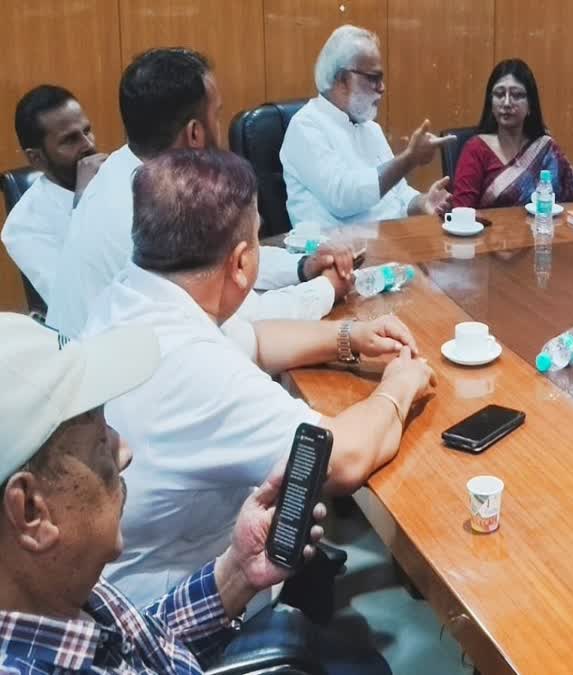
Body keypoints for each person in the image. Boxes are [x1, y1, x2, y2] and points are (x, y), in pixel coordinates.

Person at [82, 149, 436, 614]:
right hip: (175, 615)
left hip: (140, 574)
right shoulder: (193, 367)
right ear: (242, 263)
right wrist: (400, 385)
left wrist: (348, 337)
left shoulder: (133, 295)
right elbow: (341, 459)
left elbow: (256, 339)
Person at [0, 312, 329, 674]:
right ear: (31, 511)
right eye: (99, 443)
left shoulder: (56, 592)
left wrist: (237, 572)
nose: (124, 452)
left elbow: (136, 646)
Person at [47, 48, 351, 337]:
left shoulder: (126, 170)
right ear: (195, 133)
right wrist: (326, 288)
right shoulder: (156, 207)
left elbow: (224, 258)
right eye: (216, 115)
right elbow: (238, 321)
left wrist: (302, 267)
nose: (219, 128)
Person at [282, 24, 454, 228]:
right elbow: (343, 198)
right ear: (342, 79)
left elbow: (399, 195)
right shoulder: (306, 126)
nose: (382, 88)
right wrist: (409, 159)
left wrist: (422, 201)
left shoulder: (371, 128)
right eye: (374, 78)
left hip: (389, 241)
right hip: (333, 246)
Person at [2, 85, 107, 302]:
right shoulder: (23, 225)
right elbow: (74, 300)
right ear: (36, 159)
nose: (88, 145)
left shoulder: (119, 178)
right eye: (70, 140)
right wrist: (83, 202)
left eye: (87, 131)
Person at [451, 58, 573, 209]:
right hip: (486, 225)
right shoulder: (476, 149)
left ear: (530, 105)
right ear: (491, 104)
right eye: (499, 94)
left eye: (516, 95)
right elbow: (461, 211)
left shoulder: (545, 149)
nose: (506, 103)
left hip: (542, 224)